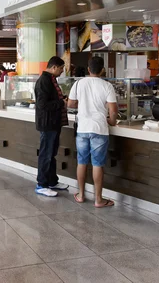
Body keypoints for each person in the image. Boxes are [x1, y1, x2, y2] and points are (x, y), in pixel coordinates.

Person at [68, 56, 118, 208]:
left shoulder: (78, 83)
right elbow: (113, 110)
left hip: (83, 128)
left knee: (81, 162)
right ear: (102, 70)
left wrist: (81, 104)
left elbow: (70, 103)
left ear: (88, 69)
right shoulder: (107, 86)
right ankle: (98, 199)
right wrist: (111, 121)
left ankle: (81, 195)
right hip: (99, 129)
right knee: (97, 164)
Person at [34, 56, 69, 197]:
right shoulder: (44, 81)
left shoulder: (51, 80)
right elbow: (42, 105)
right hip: (47, 124)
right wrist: (62, 103)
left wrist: (62, 99)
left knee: (52, 154)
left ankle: (52, 181)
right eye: (61, 69)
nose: (62, 71)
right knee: (46, 154)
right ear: (54, 67)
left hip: (54, 123)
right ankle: (41, 184)